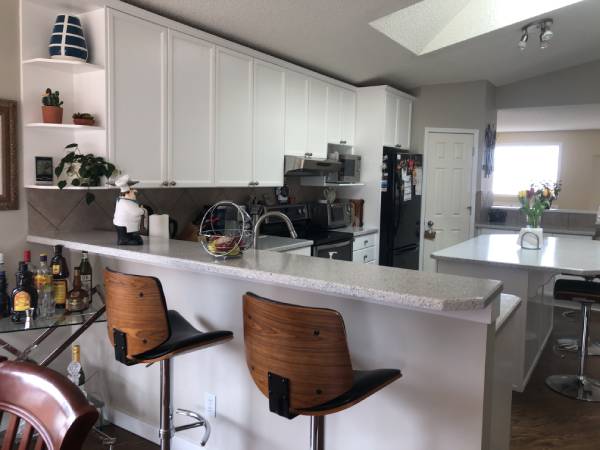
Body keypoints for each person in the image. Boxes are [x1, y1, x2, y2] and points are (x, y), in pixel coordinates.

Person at [113, 175, 143, 245]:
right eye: (133, 194)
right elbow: (135, 212)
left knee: (134, 238)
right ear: (128, 194)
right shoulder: (126, 202)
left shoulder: (122, 200)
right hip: (124, 226)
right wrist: (142, 210)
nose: (135, 195)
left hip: (124, 225)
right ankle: (124, 240)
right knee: (134, 240)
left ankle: (125, 239)